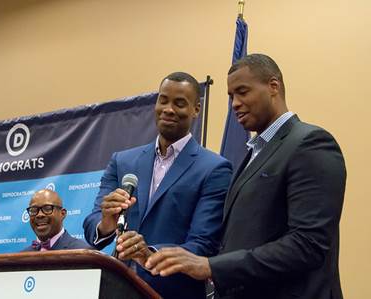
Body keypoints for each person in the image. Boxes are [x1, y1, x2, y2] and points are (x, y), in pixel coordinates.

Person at [144, 54, 346, 299]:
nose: (235, 104)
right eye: (231, 97)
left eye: (242, 92)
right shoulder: (252, 154)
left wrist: (211, 266)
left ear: (273, 87)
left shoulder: (310, 143)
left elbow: (308, 244)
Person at [83, 72, 232, 299]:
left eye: (179, 103)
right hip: (117, 288)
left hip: (174, 292)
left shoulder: (215, 168)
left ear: (196, 109)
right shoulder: (122, 161)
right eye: (163, 100)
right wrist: (106, 222)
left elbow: (203, 244)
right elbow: (93, 225)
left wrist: (150, 253)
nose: (169, 109)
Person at [22, 189, 91, 251]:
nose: (39, 215)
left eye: (47, 209)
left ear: (62, 214)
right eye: (34, 210)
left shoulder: (83, 253)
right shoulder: (21, 258)